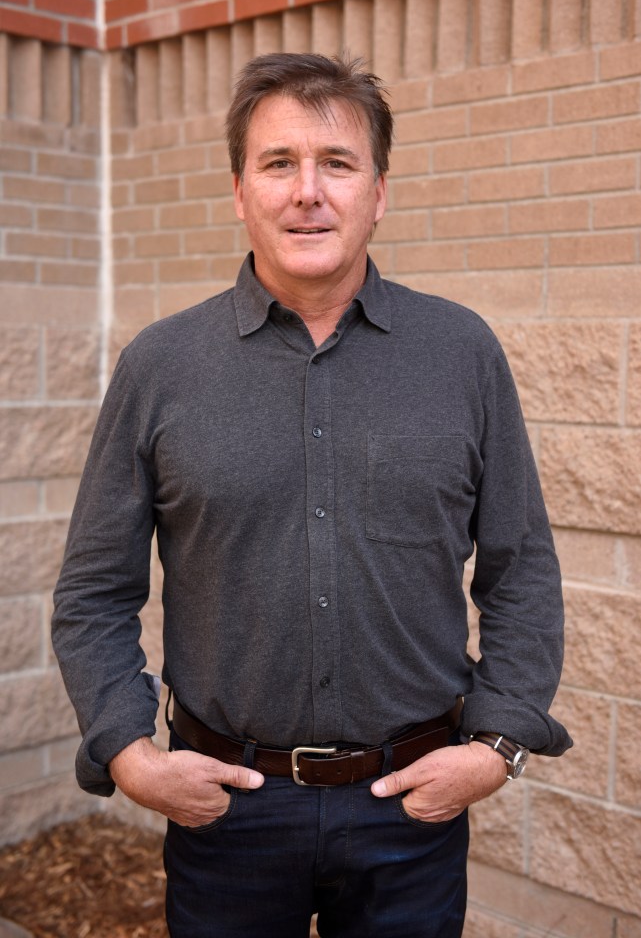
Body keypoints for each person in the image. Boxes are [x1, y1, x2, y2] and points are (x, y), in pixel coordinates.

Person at [52, 53, 572, 938]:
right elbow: (93, 592)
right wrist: (129, 753)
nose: (308, 192)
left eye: (336, 163)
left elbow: (520, 569)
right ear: (238, 190)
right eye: (278, 162)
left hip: (410, 809)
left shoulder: (460, 354)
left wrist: (494, 748)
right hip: (227, 813)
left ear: (379, 192)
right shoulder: (160, 366)